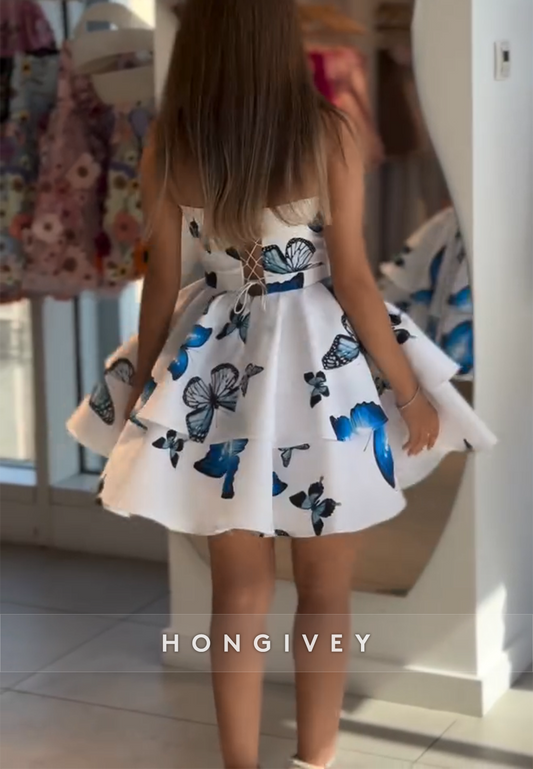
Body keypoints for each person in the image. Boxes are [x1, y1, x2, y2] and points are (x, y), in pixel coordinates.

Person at [68, 1, 495, 767]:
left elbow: (161, 285)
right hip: (318, 365)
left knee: (236, 592)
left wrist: (142, 395)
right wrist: (407, 391)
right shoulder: (326, 132)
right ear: (277, 37)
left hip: (216, 360)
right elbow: (354, 280)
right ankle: (313, 760)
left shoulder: (175, 139)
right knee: (326, 589)